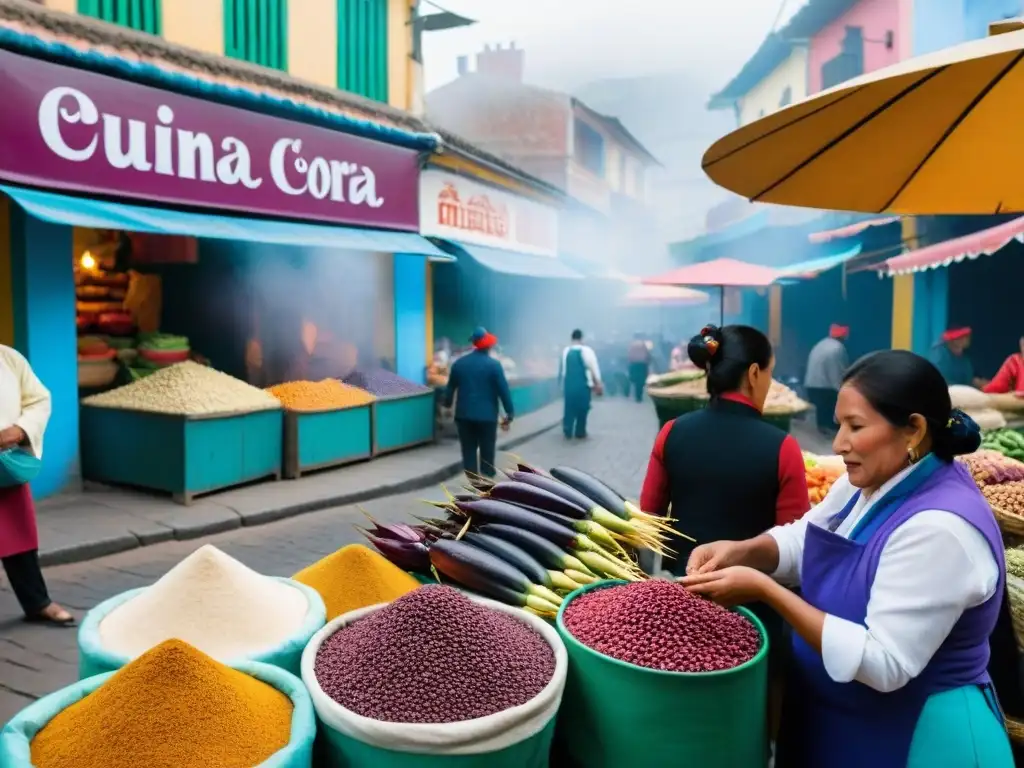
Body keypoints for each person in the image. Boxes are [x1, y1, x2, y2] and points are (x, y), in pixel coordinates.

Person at [680, 349, 1015, 767]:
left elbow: (885, 662)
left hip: (915, 739)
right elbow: (808, 538)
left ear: (913, 430)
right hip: (838, 724)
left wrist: (764, 590)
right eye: (839, 424)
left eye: (855, 427)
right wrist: (745, 551)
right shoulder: (869, 480)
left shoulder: (940, 527)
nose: (838, 444)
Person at [640, 324, 809, 672]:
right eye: (770, 374)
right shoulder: (783, 447)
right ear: (752, 373)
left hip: (681, 603)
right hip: (756, 613)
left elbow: (648, 521)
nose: (770, 384)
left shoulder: (671, 432)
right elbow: (796, 542)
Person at [0, 345, 74, 626]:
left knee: (19, 538)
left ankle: (37, 603)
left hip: (3, 466)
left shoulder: (8, 358)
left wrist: (19, 431)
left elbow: (39, 399)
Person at [443, 327, 513, 485]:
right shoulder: (494, 365)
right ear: (488, 346)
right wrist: (509, 413)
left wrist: (447, 404)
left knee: (468, 450)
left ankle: (473, 481)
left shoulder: (459, 364)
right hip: (487, 417)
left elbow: (450, 389)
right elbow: (504, 391)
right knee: (487, 450)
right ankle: (487, 480)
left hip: (464, 416)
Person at [805, 324, 850, 434]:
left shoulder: (821, 344)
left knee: (821, 420)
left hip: (811, 385)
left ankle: (823, 439)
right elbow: (838, 371)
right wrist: (844, 389)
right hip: (826, 389)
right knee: (830, 422)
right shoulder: (838, 348)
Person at [558, 329, 603, 440]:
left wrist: (562, 386)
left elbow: (563, 371)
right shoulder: (587, 351)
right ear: (582, 338)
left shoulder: (565, 351)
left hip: (569, 385)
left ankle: (567, 429)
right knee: (582, 409)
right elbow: (594, 368)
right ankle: (580, 431)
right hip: (583, 386)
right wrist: (598, 382)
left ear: (571, 338)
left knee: (569, 408)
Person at [626, 333, 652, 402]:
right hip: (642, 364)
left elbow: (629, 355)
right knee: (641, 381)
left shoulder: (631, 345)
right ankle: (639, 396)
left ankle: (635, 395)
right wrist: (648, 362)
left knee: (635, 380)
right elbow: (647, 354)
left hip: (634, 364)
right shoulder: (644, 345)